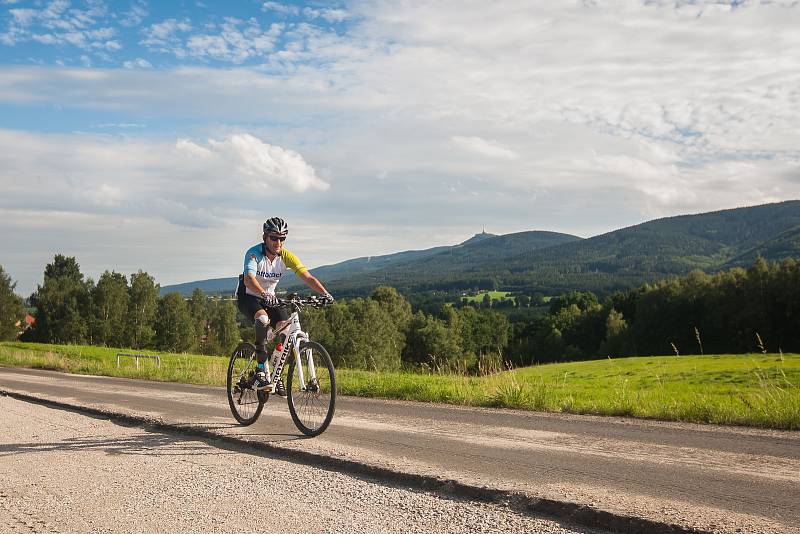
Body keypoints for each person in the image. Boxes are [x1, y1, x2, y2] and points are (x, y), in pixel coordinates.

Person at [236, 217, 333, 396]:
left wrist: (325, 294)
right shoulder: (254, 254)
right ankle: (259, 370)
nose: (278, 242)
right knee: (263, 319)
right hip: (248, 296)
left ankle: (275, 373)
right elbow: (249, 280)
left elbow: (308, 277)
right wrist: (264, 293)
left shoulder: (286, 256)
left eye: (282, 238)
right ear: (265, 237)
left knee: (285, 328)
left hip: (270, 298)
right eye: (274, 238)